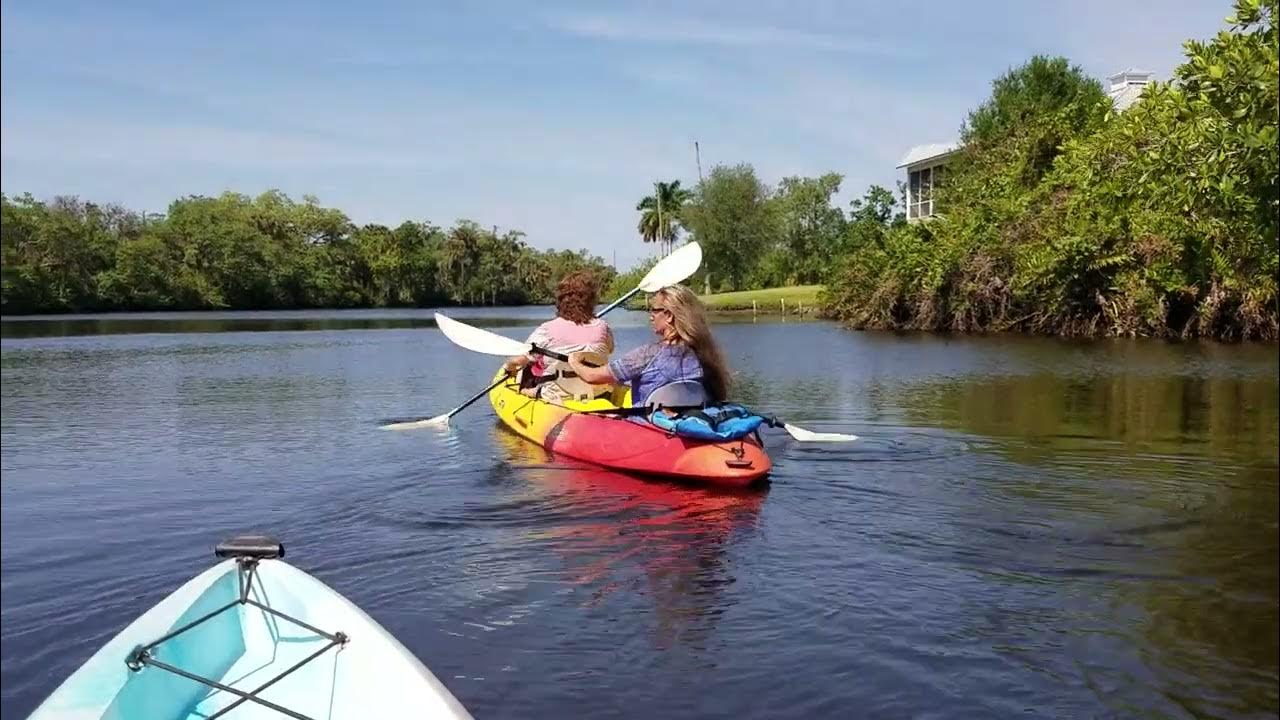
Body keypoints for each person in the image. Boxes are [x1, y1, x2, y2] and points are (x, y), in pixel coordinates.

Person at [567, 284, 729, 408]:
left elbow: (591, 376)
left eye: (654, 310)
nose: (650, 316)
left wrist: (574, 360)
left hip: (650, 427)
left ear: (669, 316)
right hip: (687, 423)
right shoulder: (703, 351)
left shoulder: (647, 354)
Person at [504, 270, 614, 399]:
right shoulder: (603, 327)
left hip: (558, 395)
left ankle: (530, 393)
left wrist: (508, 367)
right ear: (591, 301)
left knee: (524, 384)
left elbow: (519, 360)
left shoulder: (547, 330)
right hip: (598, 393)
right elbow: (610, 349)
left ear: (561, 301)